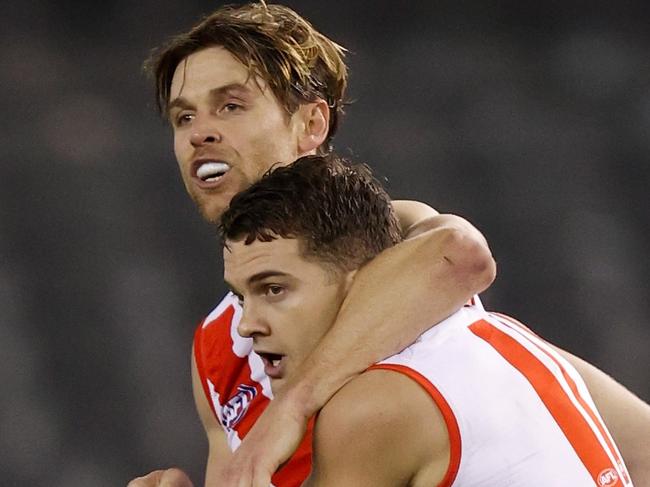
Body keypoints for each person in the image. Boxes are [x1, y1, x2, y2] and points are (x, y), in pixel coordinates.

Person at [128, 3, 650, 486]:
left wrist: (290, 410)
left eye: (231, 106)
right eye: (185, 117)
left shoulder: (392, 251)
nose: (201, 133)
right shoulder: (219, 345)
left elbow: (459, 253)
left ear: (312, 124)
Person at [218, 154, 635, 486]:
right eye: (241, 296)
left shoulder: (373, 405)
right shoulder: (494, 333)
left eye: (274, 289)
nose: (246, 324)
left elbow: (458, 246)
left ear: (361, 280)